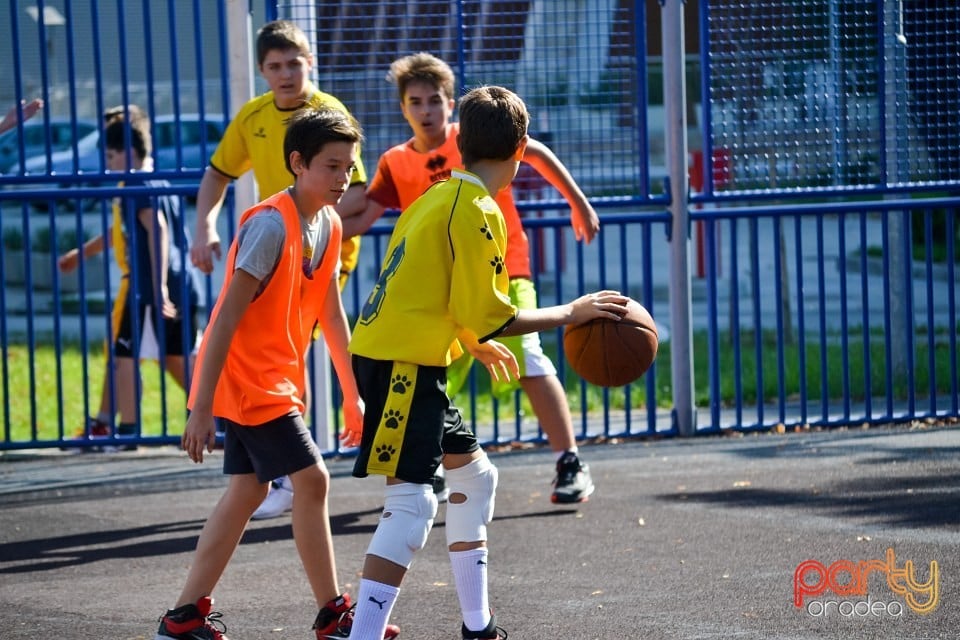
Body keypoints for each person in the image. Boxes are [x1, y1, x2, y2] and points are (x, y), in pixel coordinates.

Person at [346, 85, 628, 640]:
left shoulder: (437, 195)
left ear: (461, 143)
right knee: (410, 510)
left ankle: (479, 626)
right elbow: (498, 315)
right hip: (402, 366)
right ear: (522, 149)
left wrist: (469, 339)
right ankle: (362, 634)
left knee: (475, 479)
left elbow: (429, 286)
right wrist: (573, 311)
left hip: (402, 358)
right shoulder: (478, 210)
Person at [155, 108, 399, 640]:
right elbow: (221, 320)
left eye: (350, 168)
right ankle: (333, 614)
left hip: (277, 379)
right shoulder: (268, 226)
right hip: (249, 384)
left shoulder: (330, 223)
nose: (344, 179)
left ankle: (183, 618)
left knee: (247, 492)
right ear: (297, 163)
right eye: (332, 166)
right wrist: (199, 408)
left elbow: (333, 315)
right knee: (312, 481)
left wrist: (353, 396)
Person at [343, 52, 601, 504]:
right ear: (403, 108)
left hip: (504, 268)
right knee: (437, 376)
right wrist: (308, 226)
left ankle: (568, 459)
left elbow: (534, 149)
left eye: (435, 100)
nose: (426, 111)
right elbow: (364, 211)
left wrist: (577, 200)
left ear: (449, 104)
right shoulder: (395, 162)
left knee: (527, 355)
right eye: (416, 102)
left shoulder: (477, 137)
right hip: (442, 293)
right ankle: (432, 466)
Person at [188, 18, 368, 518]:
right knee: (307, 478)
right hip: (277, 253)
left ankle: (290, 463)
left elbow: (357, 199)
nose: (287, 73)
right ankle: (292, 466)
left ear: (310, 63)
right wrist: (204, 226)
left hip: (312, 250)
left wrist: (317, 230)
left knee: (253, 486)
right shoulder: (255, 123)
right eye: (275, 66)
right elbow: (217, 174)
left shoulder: (330, 118)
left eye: (295, 63)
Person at [58, 106, 201, 448]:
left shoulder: (136, 182)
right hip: (171, 281)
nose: (106, 162)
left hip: (149, 286)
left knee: (124, 357)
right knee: (172, 357)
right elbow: (122, 232)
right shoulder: (157, 179)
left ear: (129, 152)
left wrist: (159, 288)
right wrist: (82, 253)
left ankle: (126, 431)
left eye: (110, 154)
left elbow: (158, 229)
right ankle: (217, 417)